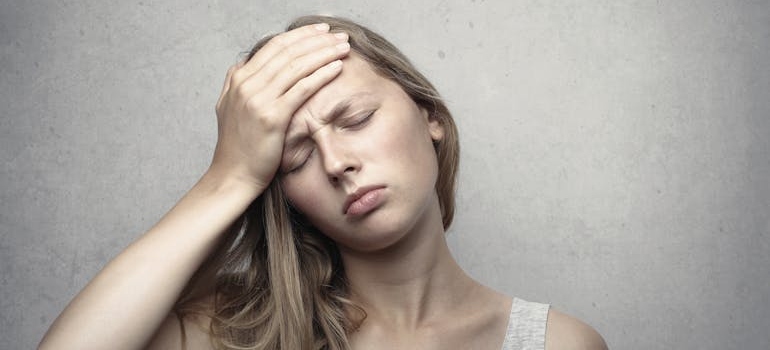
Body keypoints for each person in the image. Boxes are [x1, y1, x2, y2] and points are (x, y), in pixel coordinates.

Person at [38, 15, 607, 350]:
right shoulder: (235, 334)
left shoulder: (554, 343)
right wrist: (229, 176)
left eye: (355, 120)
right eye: (296, 157)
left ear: (430, 116)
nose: (336, 162)